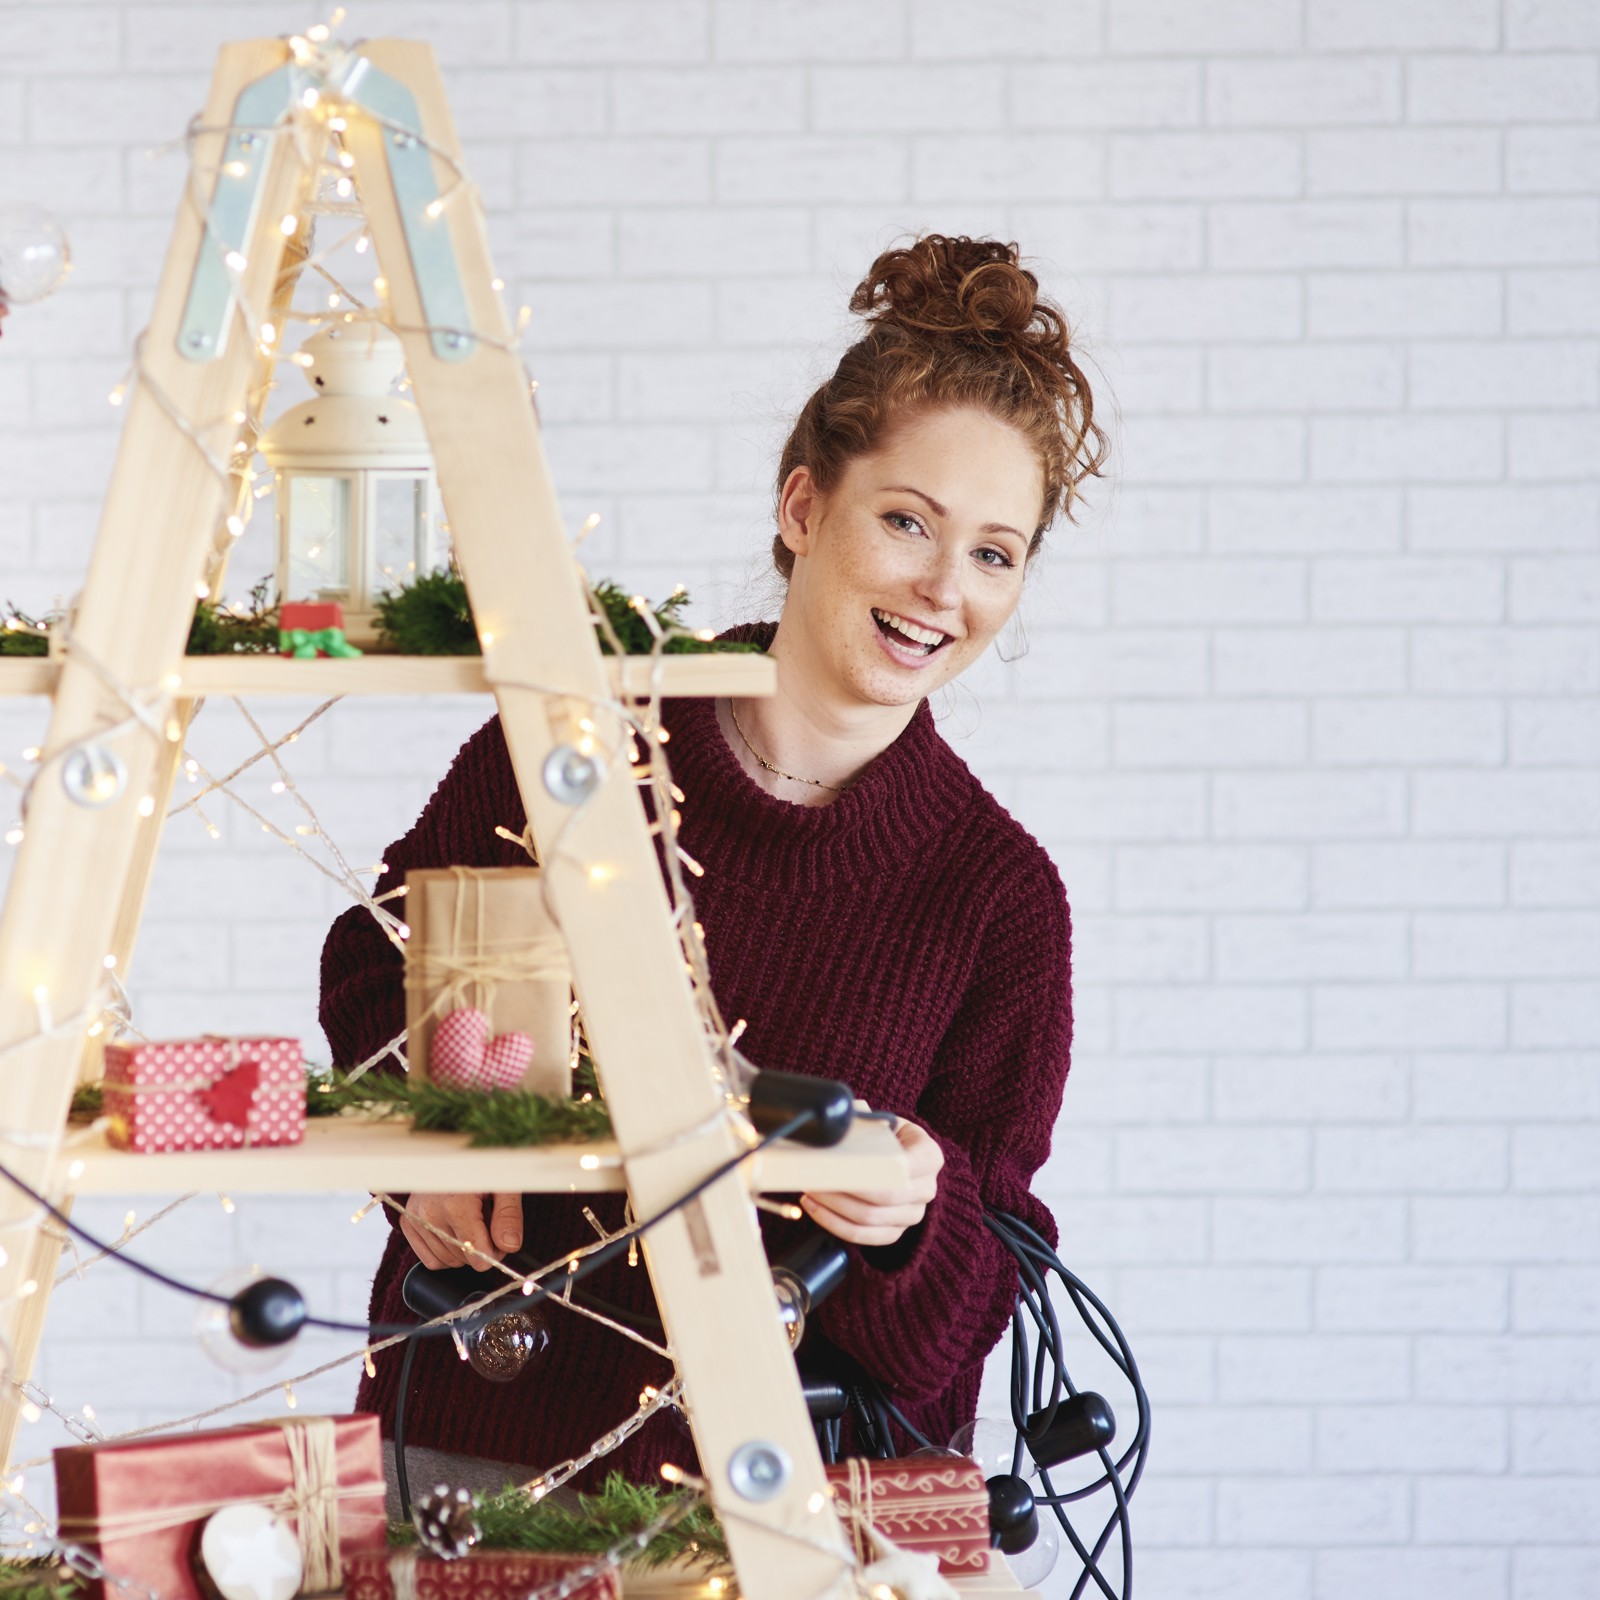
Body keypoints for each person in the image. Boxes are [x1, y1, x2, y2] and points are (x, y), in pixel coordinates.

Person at [319, 234, 1107, 1511]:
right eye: (906, 520)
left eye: (993, 552)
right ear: (803, 509)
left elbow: (988, 1287)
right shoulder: (582, 747)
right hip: (477, 1467)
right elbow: (378, 953)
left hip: (799, 1509)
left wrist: (915, 1204)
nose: (940, 588)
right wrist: (430, 1153)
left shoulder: (997, 899)